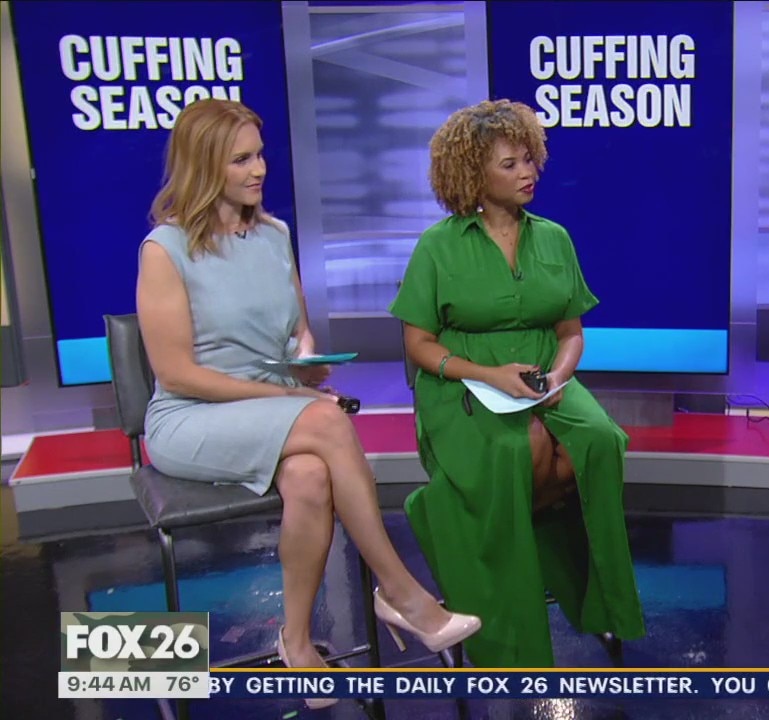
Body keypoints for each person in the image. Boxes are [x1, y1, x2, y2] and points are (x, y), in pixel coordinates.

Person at [135, 99, 481, 705]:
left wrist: (307, 361)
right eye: (241, 159)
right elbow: (177, 374)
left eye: (259, 154)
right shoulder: (165, 249)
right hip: (191, 419)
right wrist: (289, 394)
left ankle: (296, 644)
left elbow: (297, 332)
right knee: (323, 419)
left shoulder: (274, 235)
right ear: (203, 166)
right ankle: (401, 592)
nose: (259, 169)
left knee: (310, 476)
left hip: (275, 407)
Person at [389, 99, 646, 667]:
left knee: (599, 442)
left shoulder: (554, 238)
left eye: (530, 159)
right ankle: (507, 608)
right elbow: (419, 345)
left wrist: (558, 375)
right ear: (472, 174)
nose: (528, 172)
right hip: (463, 383)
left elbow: (571, 332)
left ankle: (597, 599)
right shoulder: (438, 246)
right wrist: (488, 375)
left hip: (545, 377)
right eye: (510, 164)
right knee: (520, 450)